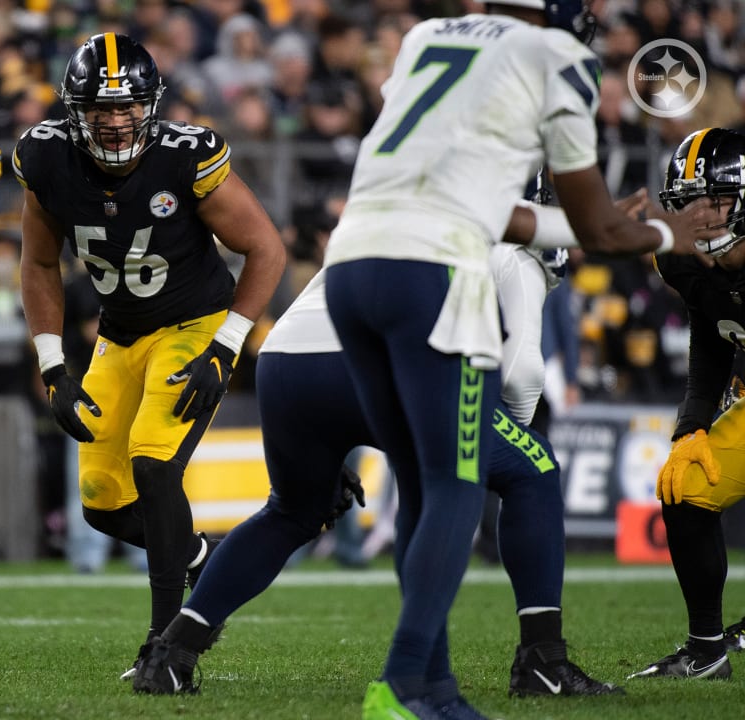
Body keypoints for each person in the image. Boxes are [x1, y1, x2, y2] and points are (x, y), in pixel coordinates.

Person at [133, 2, 718, 717]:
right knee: (469, 478)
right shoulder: (555, 58)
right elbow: (588, 228)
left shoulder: (425, 39)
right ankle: (430, 676)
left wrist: (594, 225)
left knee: (374, 487)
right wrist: (661, 231)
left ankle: (416, 683)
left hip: (344, 278)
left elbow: (492, 209)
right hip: (428, 282)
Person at [132, 192, 659, 700]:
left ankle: (173, 652)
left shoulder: (402, 196)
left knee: (291, 512)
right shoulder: (510, 243)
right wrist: (511, 444)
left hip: (287, 360)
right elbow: (523, 371)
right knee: (534, 469)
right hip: (378, 360)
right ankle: (541, 660)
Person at [14, 32, 286, 677]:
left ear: (152, 104)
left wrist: (226, 347)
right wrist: (53, 363)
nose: (113, 122)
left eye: (126, 106)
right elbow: (39, 261)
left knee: (154, 464)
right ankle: (200, 558)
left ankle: (169, 645)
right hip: (120, 333)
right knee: (102, 502)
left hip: (195, 324)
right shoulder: (45, 157)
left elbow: (267, 248)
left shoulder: (185, 156)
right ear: (74, 110)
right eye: (99, 109)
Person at [629, 126, 745, 680]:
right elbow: (712, 328)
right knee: (685, 486)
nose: (700, 218)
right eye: (687, 205)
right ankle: (706, 652)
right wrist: (692, 424)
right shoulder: (681, 262)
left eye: (715, 202)